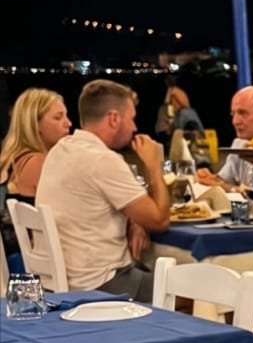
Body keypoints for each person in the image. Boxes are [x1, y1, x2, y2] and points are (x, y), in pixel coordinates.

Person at [35, 79, 169, 298]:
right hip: (101, 284)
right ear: (114, 118)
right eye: (132, 119)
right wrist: (154, 166)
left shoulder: (61, 149)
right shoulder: (102, 160)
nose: (135, 128)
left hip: (61, 282)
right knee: (198, 295)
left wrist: (135, 220)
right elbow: (160, 220)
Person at [0, 88, 73, 206]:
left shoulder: (12, 159)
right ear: (35, 124)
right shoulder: (37, 163)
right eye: (58, 117)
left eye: (66, 116)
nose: (68, 123)